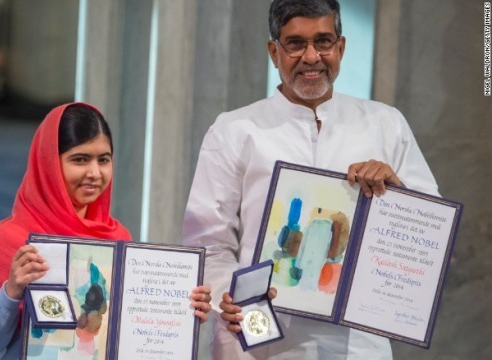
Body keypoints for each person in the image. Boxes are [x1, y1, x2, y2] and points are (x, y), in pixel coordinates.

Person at [182, 0, 439, 359]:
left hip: (357, 343)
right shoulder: (235, 130)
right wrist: (236, 295)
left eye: (323, 41)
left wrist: (397, 193)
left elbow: (430, 240)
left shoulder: (385, 124)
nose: (312, 56)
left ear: (341, 47)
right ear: (274, 51)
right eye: (295, 43)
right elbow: (208, 243)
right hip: (259, 340)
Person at [0, 102, 212, 359]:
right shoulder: (14, 241)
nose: (95, 173)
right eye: (80, 159)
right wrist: (11, 292)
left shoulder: (118, 239)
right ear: (49, 164)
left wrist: (179, 312)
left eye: (104, 160)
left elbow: (128, 333)